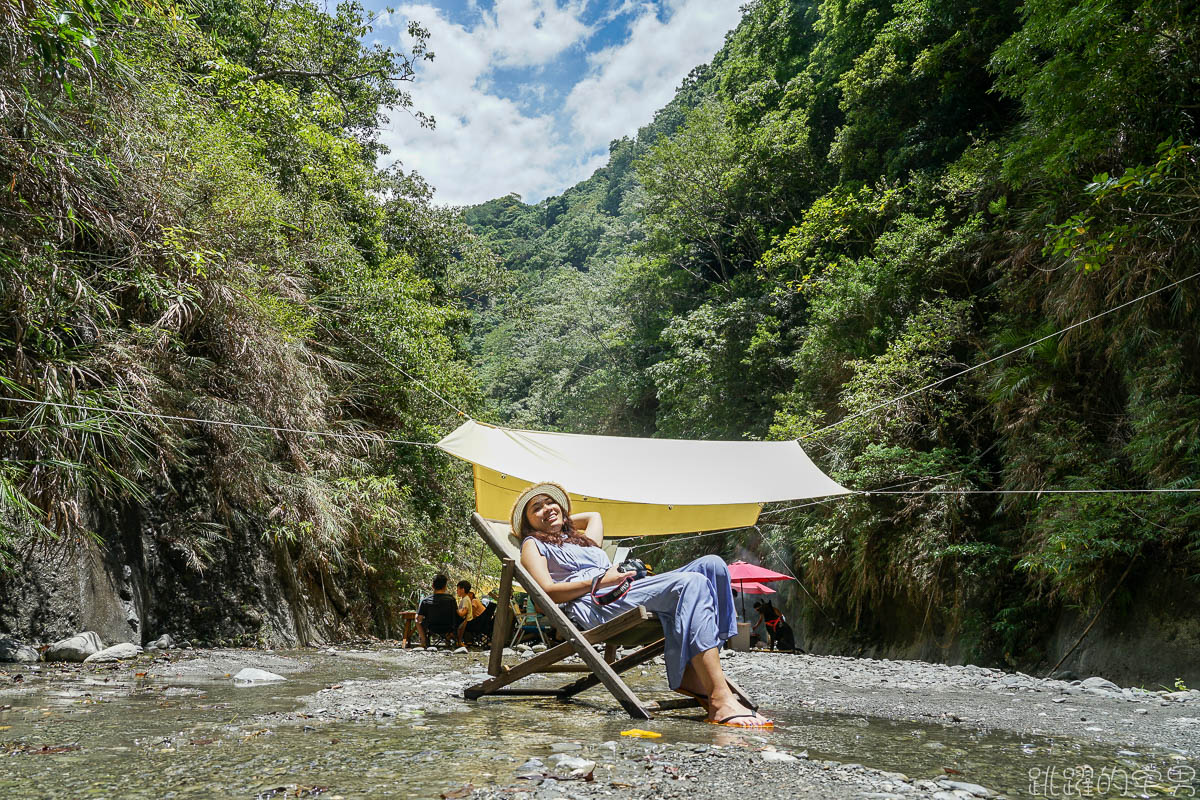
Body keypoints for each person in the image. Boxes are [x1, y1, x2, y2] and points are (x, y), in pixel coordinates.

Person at [512, 482, 772, 728]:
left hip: (625, 590)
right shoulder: (532, 544)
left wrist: (565, 519)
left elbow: (594, 516)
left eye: (550, 503)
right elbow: (546, 593)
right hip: (596, 604)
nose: (547, 509)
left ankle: (693, 673)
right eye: (537, 508)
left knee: (713, 566)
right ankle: (719, 699)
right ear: (527, 524)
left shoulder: (581, 540)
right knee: (691, 583)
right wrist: (600, 580)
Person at [416, 574, 459, 648]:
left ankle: (423, 641)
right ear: (445, 587)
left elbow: (419, 619)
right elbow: (456, 615)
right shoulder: (451, 600)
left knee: (416, 618)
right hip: (448, 627)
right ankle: (452, 639)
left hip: (431, 627)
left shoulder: (425, 601)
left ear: (432, 586)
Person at [455, 580, 476, 647]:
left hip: (467, 623)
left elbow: (463, 613)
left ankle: (457, 640)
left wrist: (455, 610)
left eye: (457, 589)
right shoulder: (465, 599)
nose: (457, 591)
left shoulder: (466, 599)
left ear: (462, 590)